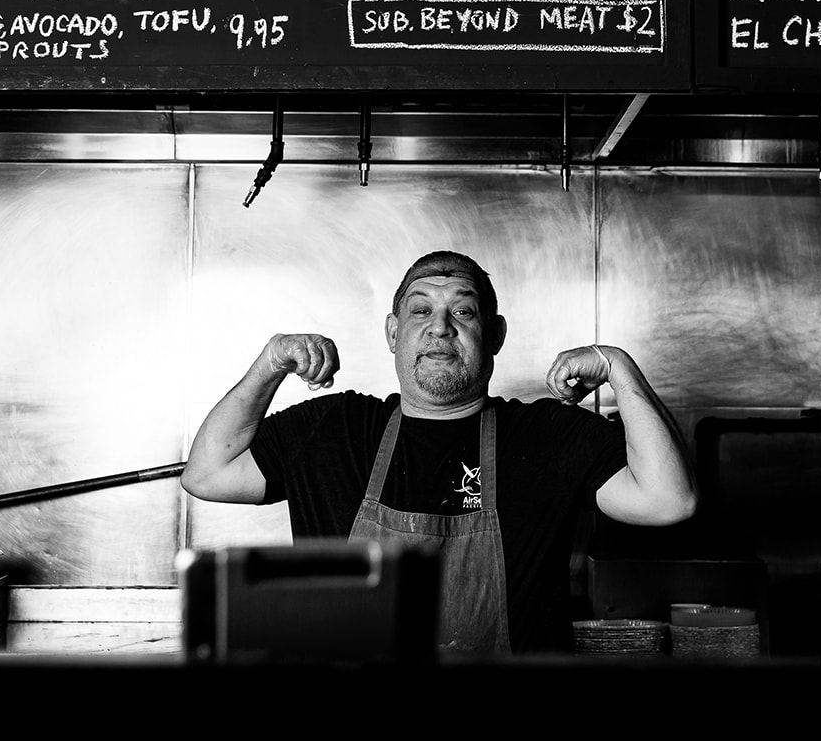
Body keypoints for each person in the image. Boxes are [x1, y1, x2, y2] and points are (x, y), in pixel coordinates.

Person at [180, 249, 695, 655]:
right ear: (393, 331)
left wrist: (619, 367)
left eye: (463, 311)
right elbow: (208, 473)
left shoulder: (548, 434)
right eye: (421, 309)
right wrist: (270, 363)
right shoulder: (332, 429)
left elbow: (668, 500)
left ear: (493, 335)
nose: (440, 327)